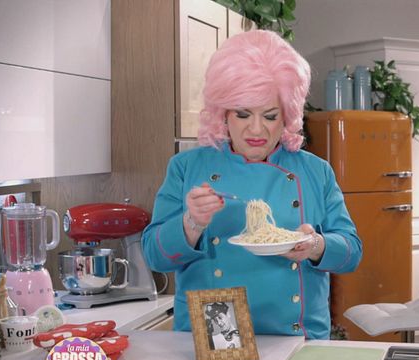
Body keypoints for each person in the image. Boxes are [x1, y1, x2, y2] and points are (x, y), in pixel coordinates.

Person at [142, 30, 362, 340]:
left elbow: (352, 253)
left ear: (287, 115)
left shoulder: (315, 171)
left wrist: (316, 245)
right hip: (217, 335)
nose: (256, 129)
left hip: (298, 336)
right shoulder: (187, 167)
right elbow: (155, 257)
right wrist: (192, 223)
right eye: (243, 114)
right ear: (223, 113)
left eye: (270, 116)